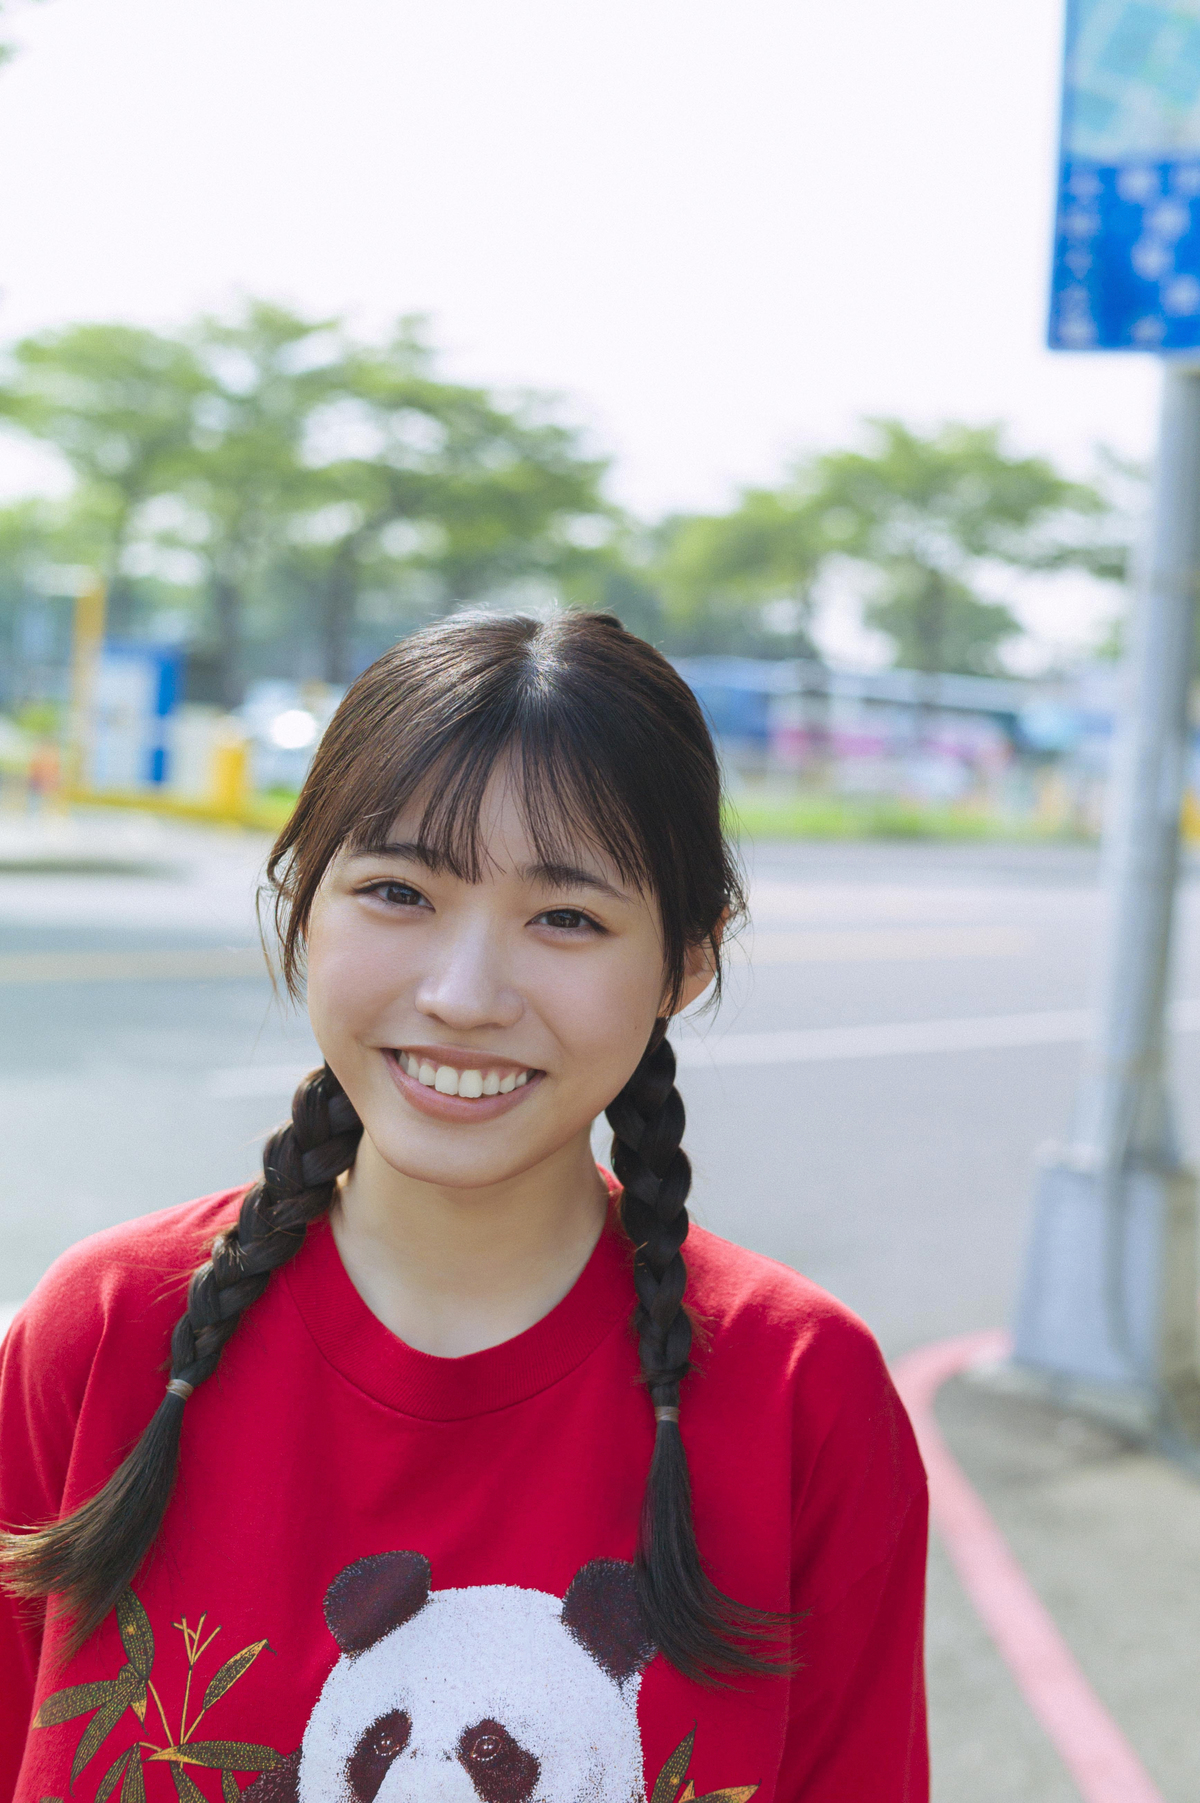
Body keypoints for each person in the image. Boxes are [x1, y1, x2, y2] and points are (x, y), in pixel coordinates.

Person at [0, 612, 928, 1803]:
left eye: (567, 918)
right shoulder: (109, 1331)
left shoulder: (803, 1392)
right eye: (398, 891)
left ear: (687, 961)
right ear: (301, 900)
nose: (464, 993)